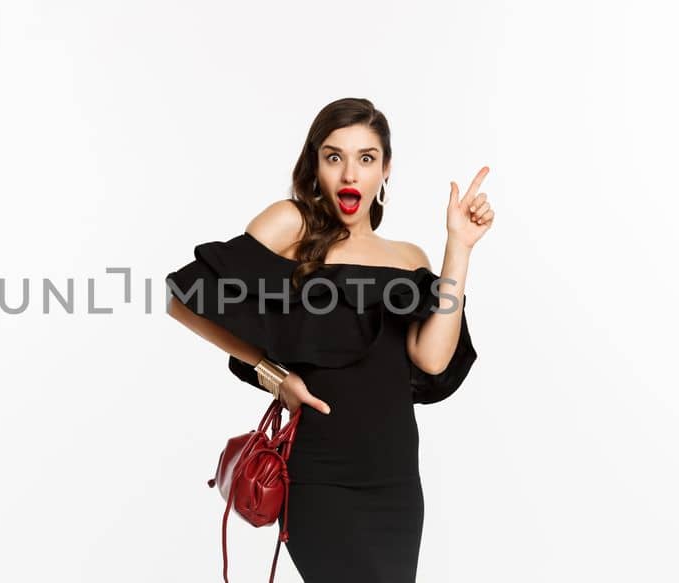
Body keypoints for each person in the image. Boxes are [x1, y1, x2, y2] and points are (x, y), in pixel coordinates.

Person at [166, 97, 495, 582]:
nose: (349, 175)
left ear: (385, 169)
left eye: (366, 158)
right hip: (320, 478)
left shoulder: (408, 257)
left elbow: (431, 358)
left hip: (395, 483)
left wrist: (459, 247)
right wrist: (272, 375)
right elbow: (186, 295)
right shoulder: (290, 225)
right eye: (334, 156)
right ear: (314, 163)